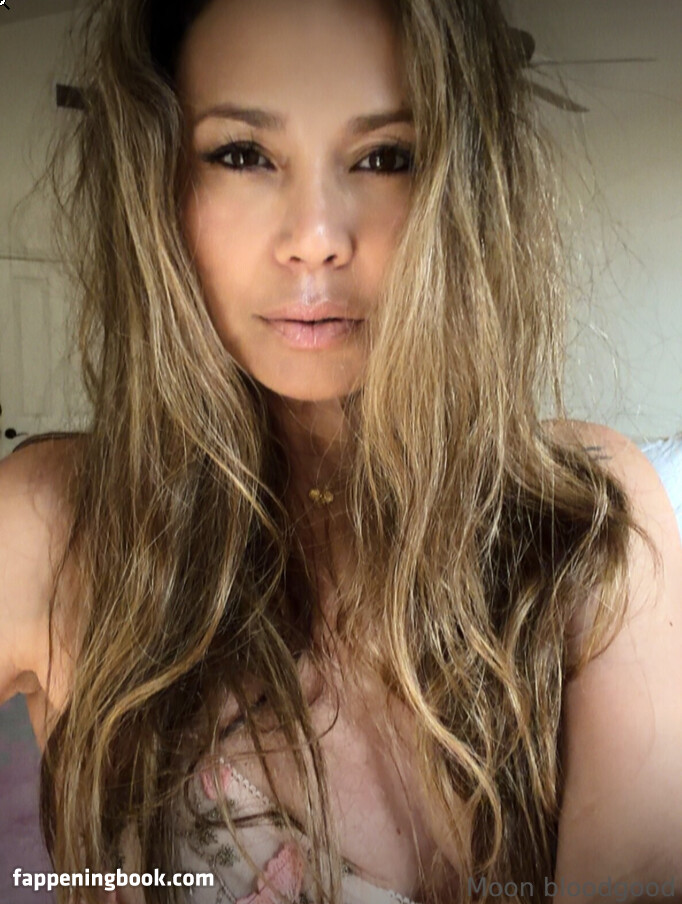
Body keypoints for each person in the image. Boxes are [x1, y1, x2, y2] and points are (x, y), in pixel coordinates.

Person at [0, 0, 680, 902]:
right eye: (242, 154)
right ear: (158, 181)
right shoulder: (54, 526)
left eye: (385, 157)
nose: (315, 239)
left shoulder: (584, 524)